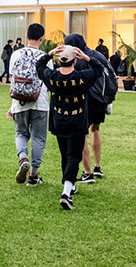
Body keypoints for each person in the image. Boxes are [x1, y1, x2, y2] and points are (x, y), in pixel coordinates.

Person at [35, 44, 96, 210]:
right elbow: (100, 68)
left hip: (59, 122)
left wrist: (49, 54)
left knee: (65, 154)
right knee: (74, 157)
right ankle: (66, 192)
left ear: (58, 60)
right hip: (77, 122)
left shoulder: (52, 76)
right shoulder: (83, 77)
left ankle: (70, 186)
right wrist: (87, 57)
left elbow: (38, 66)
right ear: (75, 60)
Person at [7, 23, 48, 186]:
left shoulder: (16, 54)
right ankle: (33, 175)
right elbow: (47, 80)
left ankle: (23, 157)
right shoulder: (44, 56)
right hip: (40, 102)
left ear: (26, 36)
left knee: (20, 133)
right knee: (38, 138)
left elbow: (13, 80)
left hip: (19, 101)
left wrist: (12, 105)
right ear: (42, 38)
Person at [70, 34, 114, 183]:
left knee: (82, 133)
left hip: (87, 98)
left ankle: (87, 173)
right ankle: (97, 167)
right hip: (101, 99)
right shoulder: (98, 55)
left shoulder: (79, 60)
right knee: (95, 129)